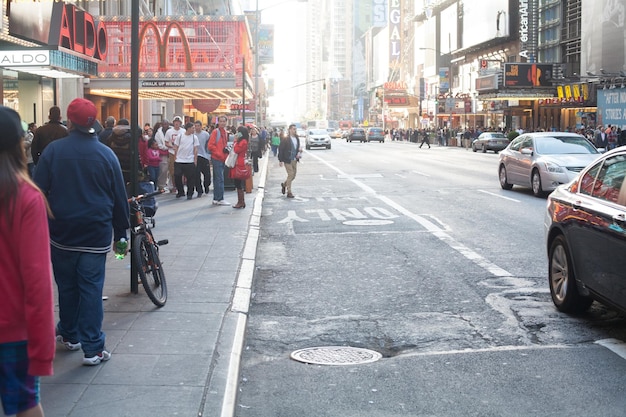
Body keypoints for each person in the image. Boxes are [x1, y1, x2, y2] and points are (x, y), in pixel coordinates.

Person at [34, 98, 130, 366]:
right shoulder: (106, 154)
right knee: (90, 288)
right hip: (95, 233)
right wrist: (120, 235)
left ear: (69, 120)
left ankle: (69, 333)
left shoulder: (53, 152)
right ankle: (93, 348)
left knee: (66, 286)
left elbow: (37, 192)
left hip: (61, 233)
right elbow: (119, 198)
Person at [0, 106, 55, 417]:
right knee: (24, 405)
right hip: (12, 331)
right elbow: (36, 281)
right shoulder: (24, 197)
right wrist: (43, 349)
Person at [207, 115, 231, 205]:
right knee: (220, 179)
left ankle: (216, 198)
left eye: (224, 121)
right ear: (218, 122)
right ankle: (220, 198)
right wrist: (219, 154)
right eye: (220, 121)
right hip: (217, 158)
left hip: (221, 158)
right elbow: (210, 146)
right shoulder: (215, 132)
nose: (222, 123)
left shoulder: (224, 132)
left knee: (218, 179)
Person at [173, 122, 199, 200]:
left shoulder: (194, 137)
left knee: (190, 178)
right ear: (188, 128)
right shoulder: (180, 136)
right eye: (192, 128)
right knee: (177, 176)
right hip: (179, 160)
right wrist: (175, 157)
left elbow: (195, 149)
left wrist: (195, 160)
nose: (193, 130)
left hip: (189, 160)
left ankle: (190, 193)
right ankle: (180, 191)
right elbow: (176, 147)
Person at [278, 124, 302, 198]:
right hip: (287, 159)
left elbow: (297, 148)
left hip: (294, 159)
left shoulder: (297, 138)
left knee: (293, 176)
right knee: (290, 174)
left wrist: (299, 152)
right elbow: (281, 149)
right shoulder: (286, 138)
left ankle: (284, 185)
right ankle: (289, 192)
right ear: (290, 130)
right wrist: (280, 160)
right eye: (293, 129)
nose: (295, 130)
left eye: (295, 129)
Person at [229, 125, 249, 209]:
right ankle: (241, 201)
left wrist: (236, 141)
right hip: (237, 161)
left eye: (238, 132)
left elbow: (236, 150)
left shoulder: (243, 141)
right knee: (237, 183)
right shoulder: (242, 141)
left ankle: (241, 201)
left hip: (239, 163)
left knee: (238, 183)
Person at [165, 116, 185, 194]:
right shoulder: (169, 132)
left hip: (181, 153)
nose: (177, 123)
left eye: (178, 122)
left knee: (182, 170)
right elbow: (166, 142)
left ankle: (181, 185)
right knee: (172, 171)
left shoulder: (183, 131)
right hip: (172, 153)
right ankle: (174, 185)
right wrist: (172, 146)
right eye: (175, 122)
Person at [194, 121, 211, 197]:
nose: (197, 127)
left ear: (201, 126)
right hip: (195, 156)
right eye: (196, 126)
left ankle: (206, 186)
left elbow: (208, 145)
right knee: (196, 175)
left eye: (198, 126)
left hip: (204, 156)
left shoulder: (206, 134)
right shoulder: (192, 135)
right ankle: (199, 190)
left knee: (207, 174)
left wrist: (209, 155)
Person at [153, 119, 170, 191]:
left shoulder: (171, 131)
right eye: (164, 124)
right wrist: (166, 147)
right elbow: (159, 144)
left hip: (173, 153)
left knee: (172, 170)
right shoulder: (158, 133)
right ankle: (161, 185)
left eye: (166, 124)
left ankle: (172, 186)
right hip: (163, 153)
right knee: (163, 170)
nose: (165, 125)